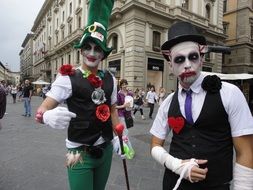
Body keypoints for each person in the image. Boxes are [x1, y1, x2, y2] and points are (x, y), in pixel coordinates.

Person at [150, 21, 253, 190]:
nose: (187, 64)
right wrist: (177, 165)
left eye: (193, 56)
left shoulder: (230, 94)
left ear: (202, 58)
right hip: (174, 184)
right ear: (170, 66)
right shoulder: (167, 103)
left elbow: (246, 152)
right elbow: (155, 145)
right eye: (179, 59)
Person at [35, 1, 125, 190]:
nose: (92, 53)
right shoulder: (67, 78)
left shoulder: (110, 78)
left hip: (106, 149)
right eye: (88, 47)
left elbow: (113, 109)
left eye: (98, 48)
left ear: (103, 53)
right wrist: (47, 116)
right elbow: (43, 109)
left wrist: (120, 137)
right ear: (81, 49)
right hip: (79, 153)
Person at [116, 79, 135, 159]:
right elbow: (115, 106)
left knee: (124, 133)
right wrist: (123, 106)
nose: (125, 86)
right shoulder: (119, 94)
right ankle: (129, 150)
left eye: (126, 84)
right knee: (125, 133)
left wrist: (131, 107)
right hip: (121, 115)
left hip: (128, 115)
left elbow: (131, 104)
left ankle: (121, 148)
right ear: (120, 85)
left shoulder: (130, 93)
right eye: (123, 84)